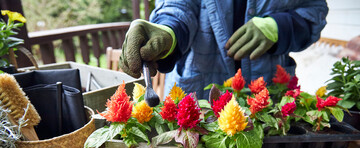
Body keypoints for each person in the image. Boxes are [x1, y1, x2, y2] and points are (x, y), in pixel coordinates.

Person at [119, 0, 329, 99]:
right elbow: (178, 7)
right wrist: (168, 32)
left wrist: (279, 26)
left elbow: (313, 11)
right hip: (198, 90)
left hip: (268, 92)